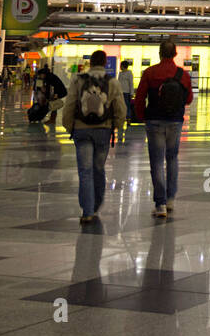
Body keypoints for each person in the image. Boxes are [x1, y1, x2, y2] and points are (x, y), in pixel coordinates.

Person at [61, 49, 126, 223]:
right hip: (103, 131)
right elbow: (120, 107)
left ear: (91, 63)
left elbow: (70, 104)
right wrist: (117, 125)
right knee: (98, 168)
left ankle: (87, 210)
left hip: (81, 130)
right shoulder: (112, 82)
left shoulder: (78, 80)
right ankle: (96, 205)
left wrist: (69, 126)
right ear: (105, 63)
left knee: (85, 170)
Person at [134, 41, 192, 218]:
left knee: (157, 162)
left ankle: (160, 204)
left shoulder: (150, 72)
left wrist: (143, 116)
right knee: (172, 158)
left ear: (160, 53)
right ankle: (171, 199)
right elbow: (188, 99)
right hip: (175, 121)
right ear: (175, 54)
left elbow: (139, 98)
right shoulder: (183, 75)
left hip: (154, 122)